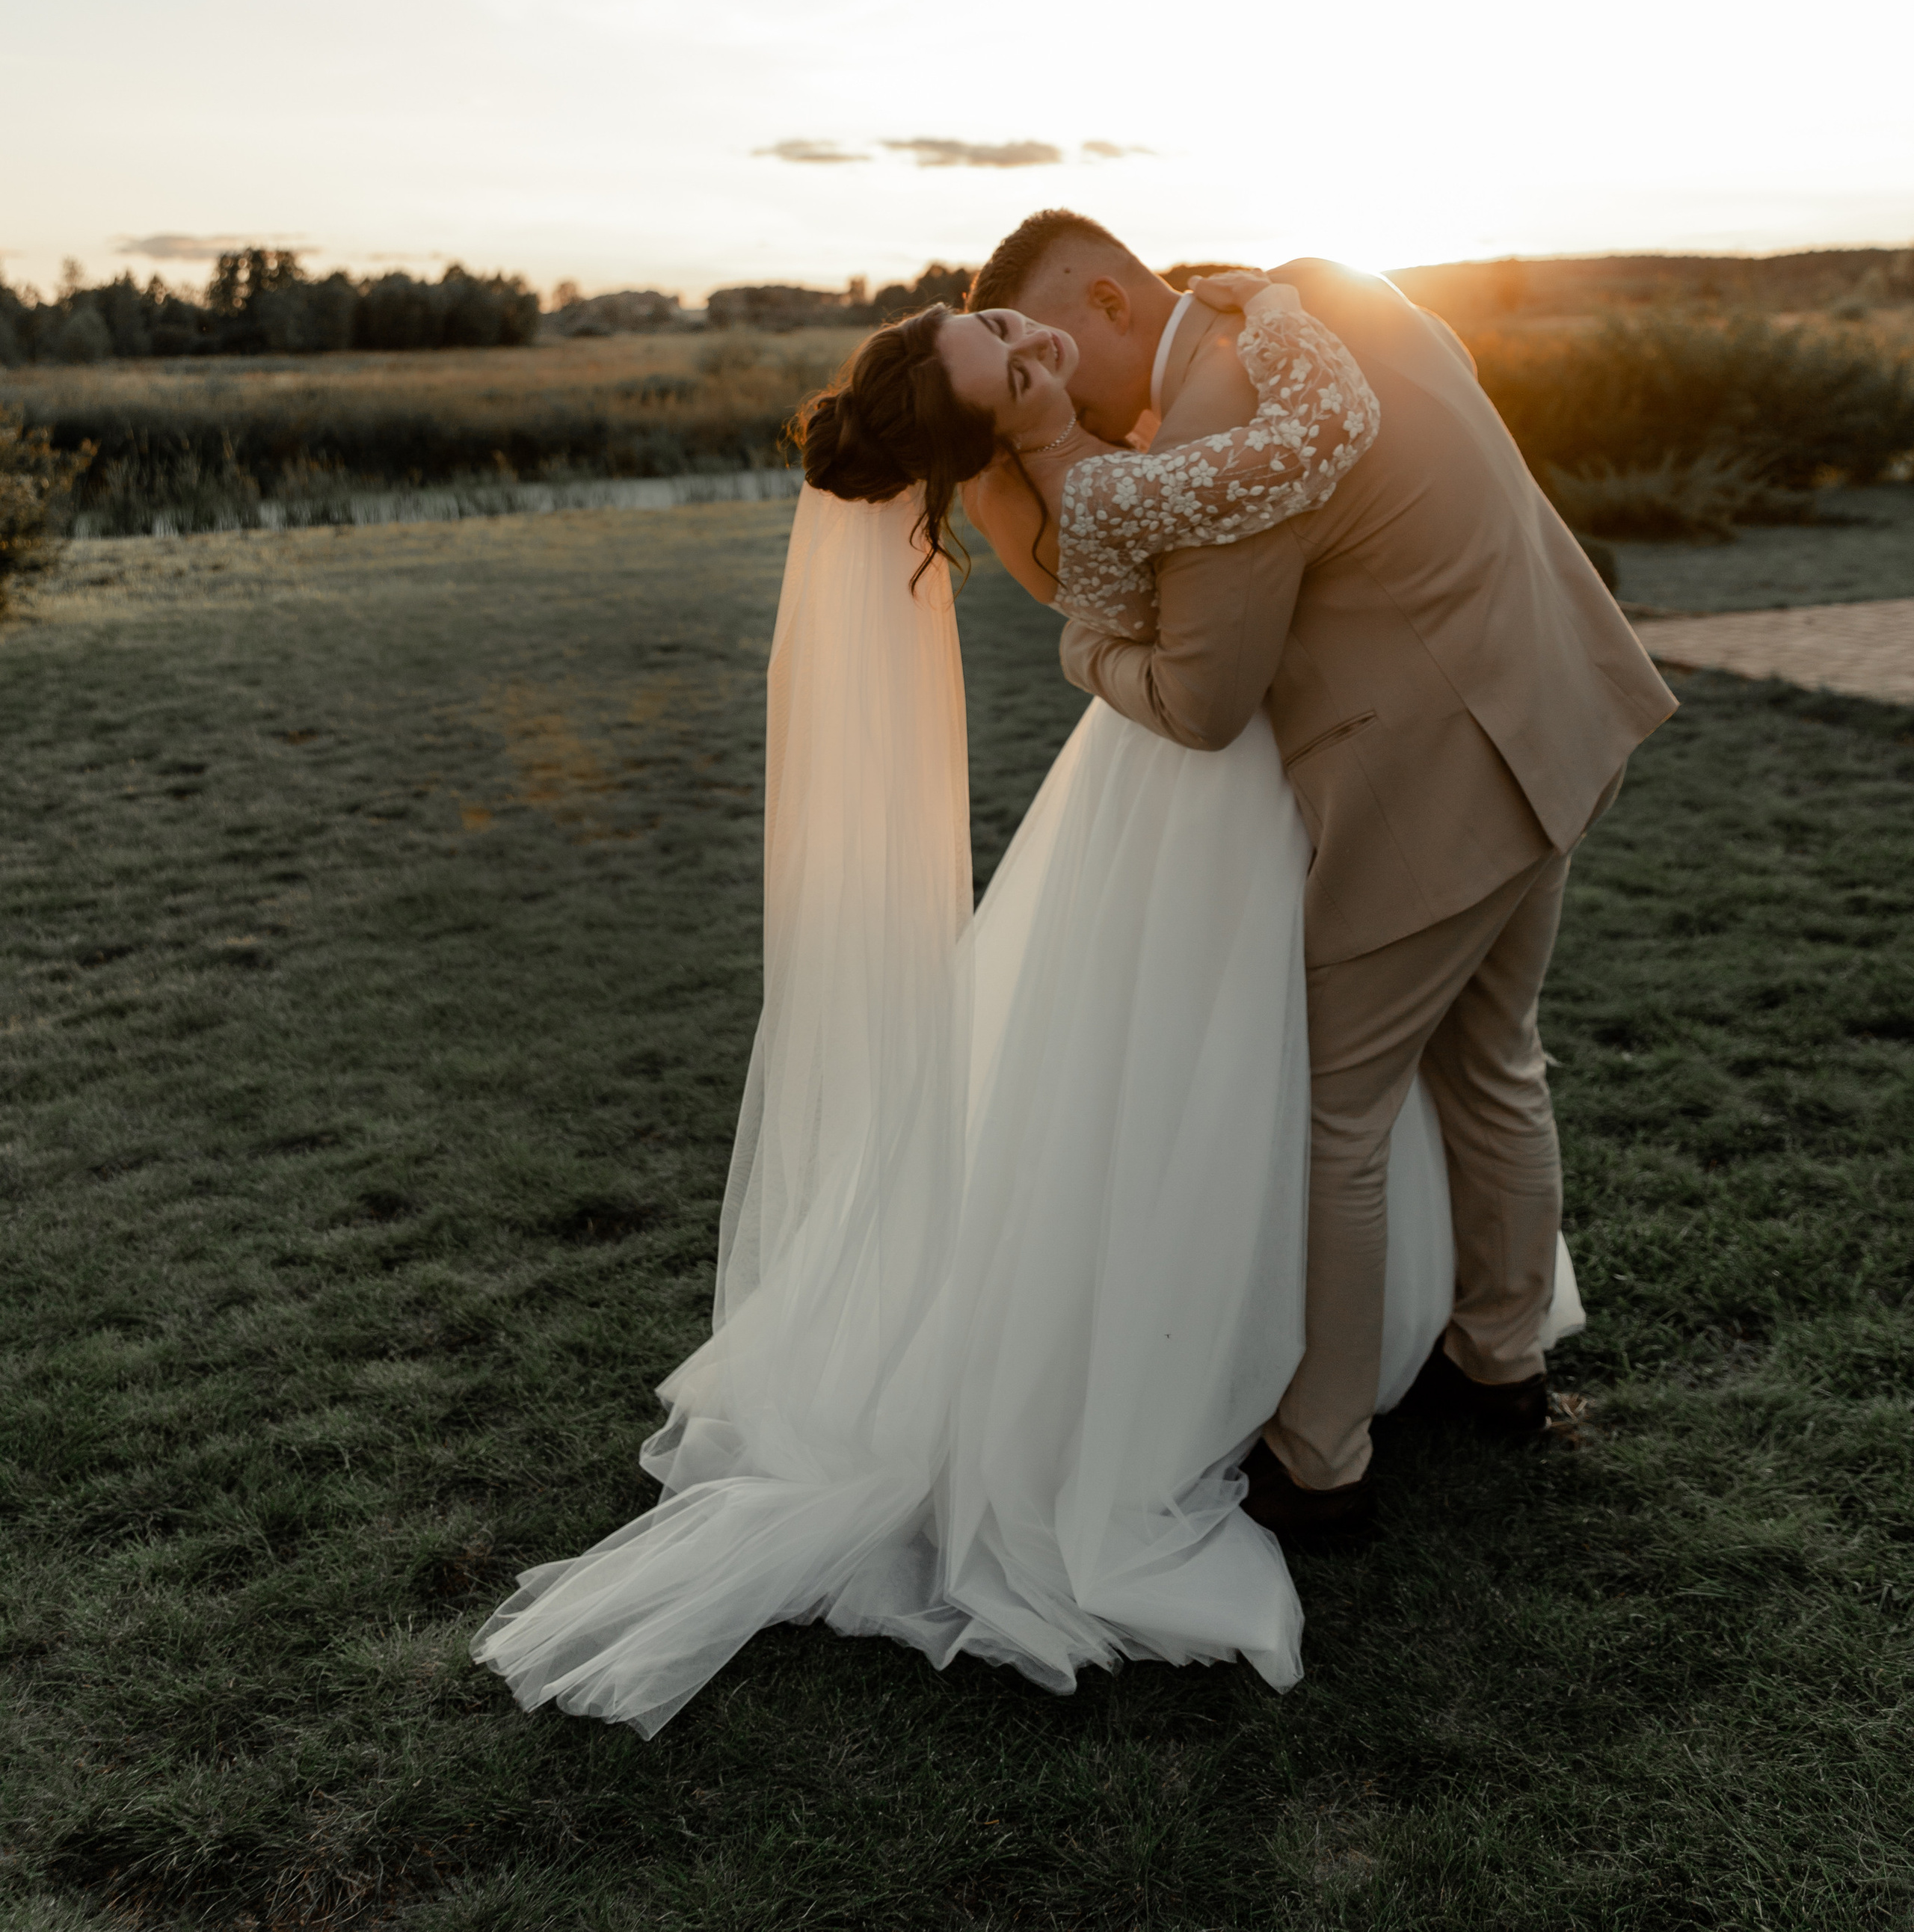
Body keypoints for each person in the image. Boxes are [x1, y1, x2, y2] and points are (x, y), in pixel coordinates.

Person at [475, 275, 1492, 1733]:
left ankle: (1318, 1345)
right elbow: (1232, 584)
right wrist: (1264, 330)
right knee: (1228, 1067)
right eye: (1009, 370)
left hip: (1174, 778)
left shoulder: (1095, 452)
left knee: (1220, 1066)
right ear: (999, 434)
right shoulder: (1086, 488)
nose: (1031, 341)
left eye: (1000, 326)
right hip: (1199, 784)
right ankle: (1266, 1366)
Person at [964, 209, 1677, 1536]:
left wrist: (1085, 651)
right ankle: (1503, 1364)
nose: (1062, 390)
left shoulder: (1219, 421)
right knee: (1496, 1059)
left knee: (1339, 1115)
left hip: (1439, 788)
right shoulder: (1327, 293)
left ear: (1112, 301)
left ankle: (1322, 1458)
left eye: (1055, 346)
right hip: (1559, 708)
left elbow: (1205, 701)